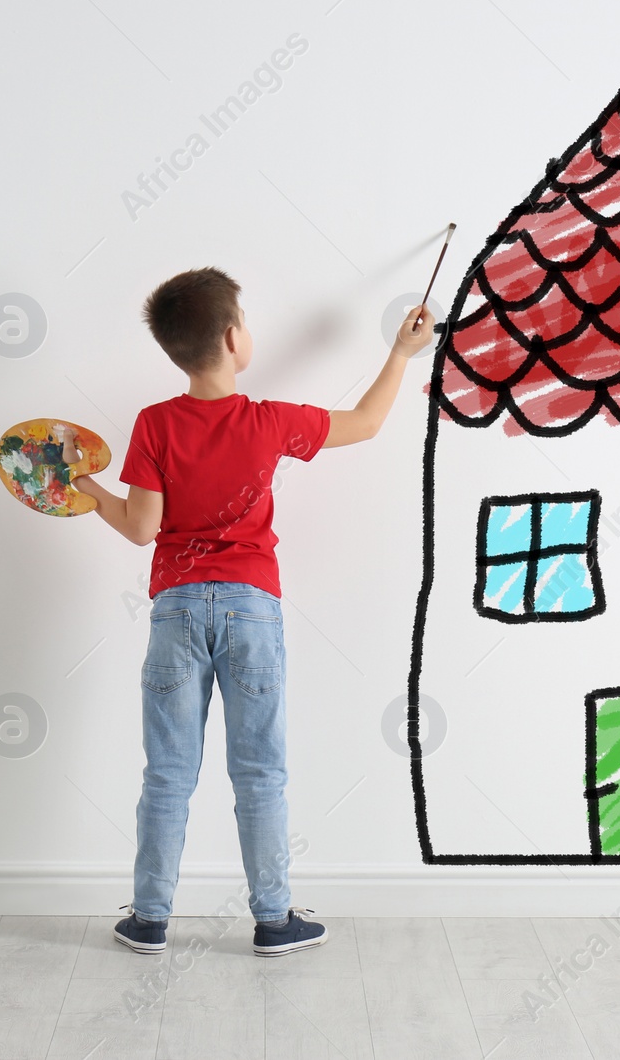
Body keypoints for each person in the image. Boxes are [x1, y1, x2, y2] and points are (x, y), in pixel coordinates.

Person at [66, 266, 433, 957]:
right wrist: (401, 353)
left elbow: (142, 527)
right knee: (260, 770)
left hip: (176, 609)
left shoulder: (154, 424)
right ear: (235, 338)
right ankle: (272, 918)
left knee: (168, 772)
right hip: (251, 609)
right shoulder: (267, 422)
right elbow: (367, 422)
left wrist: (87, 487)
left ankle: (149, 919)